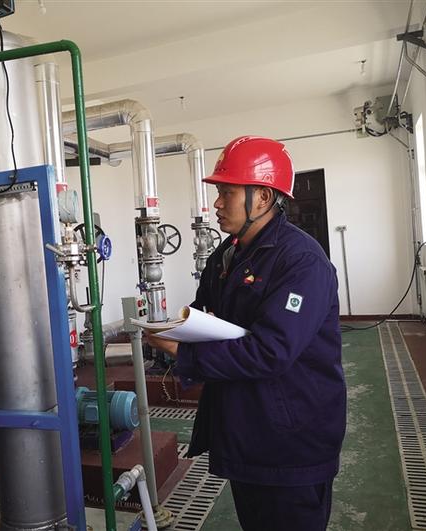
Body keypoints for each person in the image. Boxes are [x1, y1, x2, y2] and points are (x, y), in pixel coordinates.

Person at [147, 136, 346, 531]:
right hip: (247, 431)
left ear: (263, 197)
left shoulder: (302, 261)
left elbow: (271, 351)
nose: (217, 203)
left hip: (291, 441)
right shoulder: (228, 254)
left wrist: (183, 354)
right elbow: (204, 312)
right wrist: (176, 328)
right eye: (219, 192)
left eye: (228, 192)